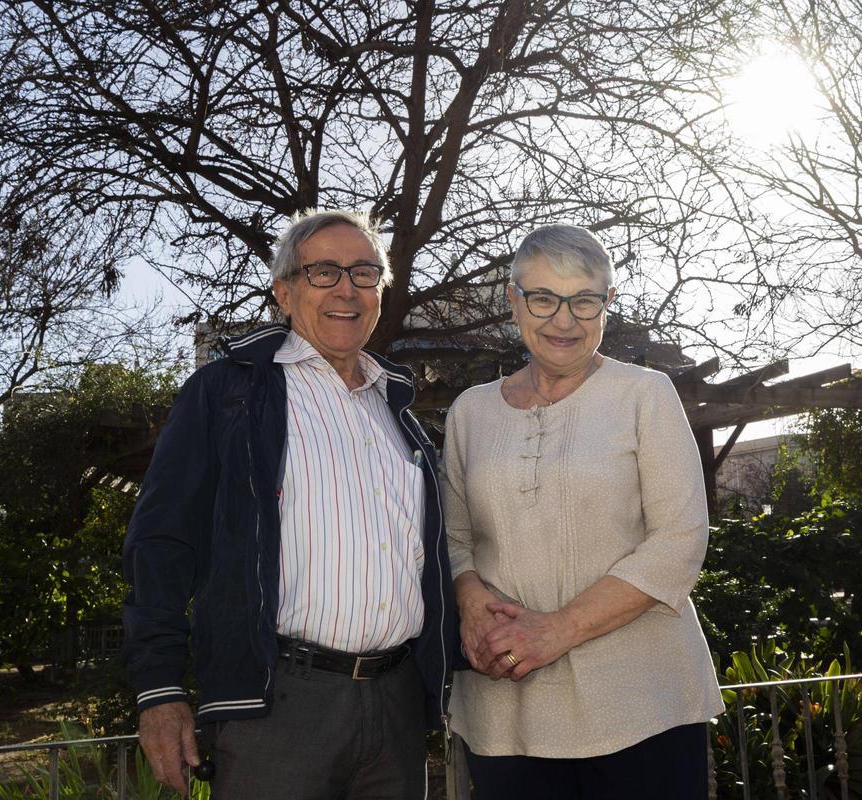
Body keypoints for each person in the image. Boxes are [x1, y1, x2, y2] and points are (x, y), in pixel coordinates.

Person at [122, 209, 458, 799]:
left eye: (364, 272)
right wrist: (159, 688)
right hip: (277, 706)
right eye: (324, 272)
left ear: (380, 292)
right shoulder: (228, 394)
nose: (346, 289)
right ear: (284, 292)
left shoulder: (400, 415)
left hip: (397, 704)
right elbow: (161, 542)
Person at [442, 224, 724, 799]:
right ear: (513, 300)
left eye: (584, 301)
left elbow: (680, 539)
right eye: (543, 299)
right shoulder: (469, 413)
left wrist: (556, 631)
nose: (564, 320)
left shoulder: (645, 393)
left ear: (607, 302)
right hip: (505, 705)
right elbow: (452, 537)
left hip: (641, 703)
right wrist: (471, 605)